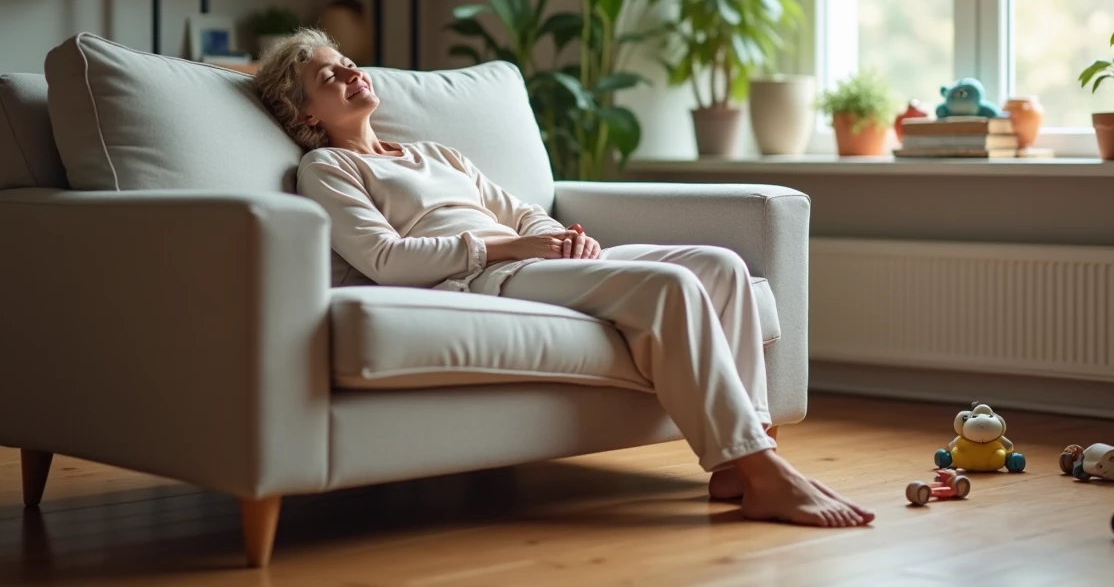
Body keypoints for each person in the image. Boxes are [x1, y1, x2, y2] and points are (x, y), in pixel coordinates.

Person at [254, 29, 873, 528]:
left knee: (720, 266)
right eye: (326, 75)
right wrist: (513, 246)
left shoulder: (436, 155)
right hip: (481, 279)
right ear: (303, 111)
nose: (350, 72)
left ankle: (740, 465)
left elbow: (520, 207)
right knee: (673, 289)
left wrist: (562, 236)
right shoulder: (326, 167)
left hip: (538, 258)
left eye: (349, 61)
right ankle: (763, 472)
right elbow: (386, 259)